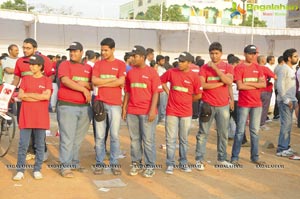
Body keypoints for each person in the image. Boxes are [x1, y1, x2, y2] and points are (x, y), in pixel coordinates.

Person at [122, 45, 161, 178]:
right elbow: (127, 91)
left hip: (147, 112)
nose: (132, 58)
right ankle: (136, 163)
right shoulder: (130, 72)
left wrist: (152, 111)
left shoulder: (152, 72)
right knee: (134, 140)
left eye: (135, 56)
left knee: (148, 140)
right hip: (132, 111)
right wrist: (124, 108)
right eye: (131, 56)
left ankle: (150, 166)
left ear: (143, 57)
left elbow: (156, 92)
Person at [161, 52, 202, 174]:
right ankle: (170, 163)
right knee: (170, 138)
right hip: (172, 111)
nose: (179, 63)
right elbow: (161, 81)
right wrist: (168, 92)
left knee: (183, 139)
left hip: (186, 112)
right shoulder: (171, 72)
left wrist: (188, 100)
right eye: (179, 60)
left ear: (189, 63)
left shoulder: (194, 77)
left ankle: (183, 162)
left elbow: (199, 94)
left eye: (182, 61)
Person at [12, 38, 53, 162]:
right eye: (23, 47)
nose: (25, 50)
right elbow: (16, 78)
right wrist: (10, 90)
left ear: (35, 48)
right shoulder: (19, 61)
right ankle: (30, 151)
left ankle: (41, 150)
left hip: (40, 102)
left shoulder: (44, 60)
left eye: (28, 48)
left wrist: (43, 93)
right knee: (25, 124)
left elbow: (50, 77)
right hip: (24, 101)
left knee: (39, 126)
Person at [195, 42, 234, 170]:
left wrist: (216, 69)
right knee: (203, 133)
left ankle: (222, 159)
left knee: (223, 133)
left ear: (221, 54)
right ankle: (199, 160)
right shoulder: (204, 68)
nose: (214, 56)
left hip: (223, 105)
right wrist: (219, 83)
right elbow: (203, 85)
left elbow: (228, 82)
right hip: (207, 104)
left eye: (216, 53)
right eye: (211, 53)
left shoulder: (228, 66)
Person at [57, 42, 92, 178]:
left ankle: (74, 162)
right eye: (71, 51)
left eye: (75, 51)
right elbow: (65, 81)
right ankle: (65, 166)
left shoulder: (88, 68)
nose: (72, 53)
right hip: (67, 106)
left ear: (81, 52)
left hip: (84, 108)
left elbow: (93, 84)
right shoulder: (65, 65)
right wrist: (83, 88)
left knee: (78, 138)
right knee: (67, 137)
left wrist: (87, 84)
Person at [92, 38, 125, 175]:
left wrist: (102, 82)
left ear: (113, 50)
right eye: (102, 50)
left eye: (106, 50)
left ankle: (114, 163)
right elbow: (94, 81)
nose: (103, 52)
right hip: (100, 103)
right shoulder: (98, 64)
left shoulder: (120, 64)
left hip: (115, 105)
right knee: (99, 136)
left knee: (115, 135)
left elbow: (121, 81)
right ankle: (99, 162)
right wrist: (113, 80)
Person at [231, 44, 266, 166]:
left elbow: (263, 85)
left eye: (254, 53)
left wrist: (249, 84)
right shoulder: (239, 68)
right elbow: (240, 86)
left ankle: (255, 157)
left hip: (257, 104)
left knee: (255, 131)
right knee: (240, 131)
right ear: (245, 54)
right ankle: (235, 157)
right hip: (244, 103)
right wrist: (256, 84)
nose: (252, 56)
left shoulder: (258, 67)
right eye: (250, 53)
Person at [276, 48, 299, 157]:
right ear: (289, 58)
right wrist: (286, 100)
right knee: (286, 125)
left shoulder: (290, 69)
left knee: (288, 125)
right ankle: (281, 149)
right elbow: (279, 86)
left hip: (291, 100)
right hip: (285, 102)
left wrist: (294, 100)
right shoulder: (283, 69)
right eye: (295, 56)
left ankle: (286, 146)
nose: (297, 58)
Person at [257, 55, 276, 130]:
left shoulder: (255, 67)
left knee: (257, 107)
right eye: (265, 59)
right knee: (264, 107)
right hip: (266, 90)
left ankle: (256, 123)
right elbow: (274, 76)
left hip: (257, 90)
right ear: (262, 60)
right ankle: (261, 124)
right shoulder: (265, 68)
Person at [156, 55, 167, 123]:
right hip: (161, 89)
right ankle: (161, 117)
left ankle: (161, 116)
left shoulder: (163, 69)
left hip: (164, 89)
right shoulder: (157, 68)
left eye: (164, 60)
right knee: (161, 104)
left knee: (163, 104)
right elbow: (159, 79)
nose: (163, 62)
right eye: (162, 61)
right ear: (158, 61)